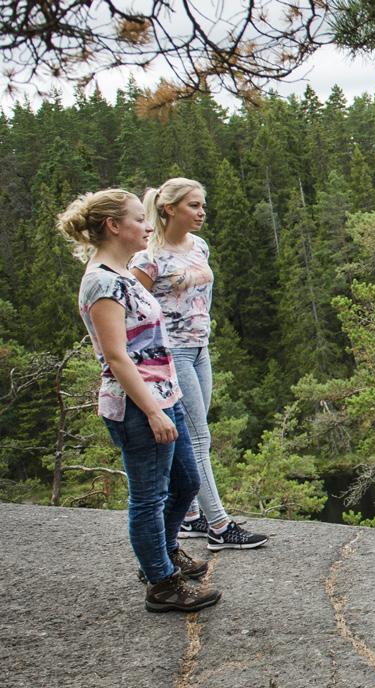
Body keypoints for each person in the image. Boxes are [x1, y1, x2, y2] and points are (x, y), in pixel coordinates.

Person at [58, 188, 222, 613]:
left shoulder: (124, 273)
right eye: (138, 219)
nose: (148, 225)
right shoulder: (101, 283)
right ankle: (161, 583)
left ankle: (162, 555)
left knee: (186, 480)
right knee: (149, 496)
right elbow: (115, 356)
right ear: (114, 226)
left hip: (165, 394)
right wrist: (151, 410)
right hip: (136, 406)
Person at [131, 178, 268, 550]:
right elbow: (132, 311)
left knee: (194, 433)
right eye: (193, 205)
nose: (201, 212)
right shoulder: (148, 258)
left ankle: (190, 517)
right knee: (199, 438)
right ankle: (220, 528)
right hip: (171, 354)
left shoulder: (199, 247)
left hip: (199, 349)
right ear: (169, 209)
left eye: (202, 204)